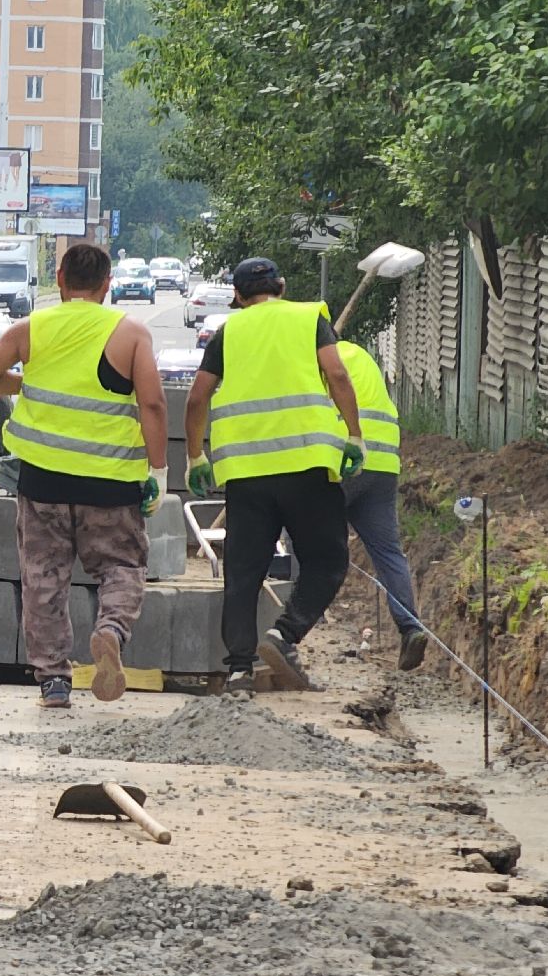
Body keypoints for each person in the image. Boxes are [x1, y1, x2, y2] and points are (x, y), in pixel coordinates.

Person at [0, 244, 170, 709]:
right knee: (122, 567)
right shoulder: (130, 334)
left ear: (59, 279)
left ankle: (54, 680)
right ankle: (110, 631)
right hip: (111, 484)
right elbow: (153, 404)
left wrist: (22, 383)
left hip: (42, 483)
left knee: (43, 579)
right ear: (107, 284)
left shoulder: (32, 329)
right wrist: (159, 469)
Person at [183, 257, 366, 694]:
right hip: (307, 467)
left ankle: (240, 669)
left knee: (243, 573)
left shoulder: (230, 333)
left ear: (238, 297)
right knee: (327, 560)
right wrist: (355, 437)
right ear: (282, 286)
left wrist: (195, 458)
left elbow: (196, 399)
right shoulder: (308, 318)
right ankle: (284, 635)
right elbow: (336, 373)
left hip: (247, 474)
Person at [335, 339, 429, 671]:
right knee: (388, 551)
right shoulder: (359, 355)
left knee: (307, 530)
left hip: (345, 459)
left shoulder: (318, 359)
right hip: (384, 462)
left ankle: (301, 617)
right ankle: (410, 627)